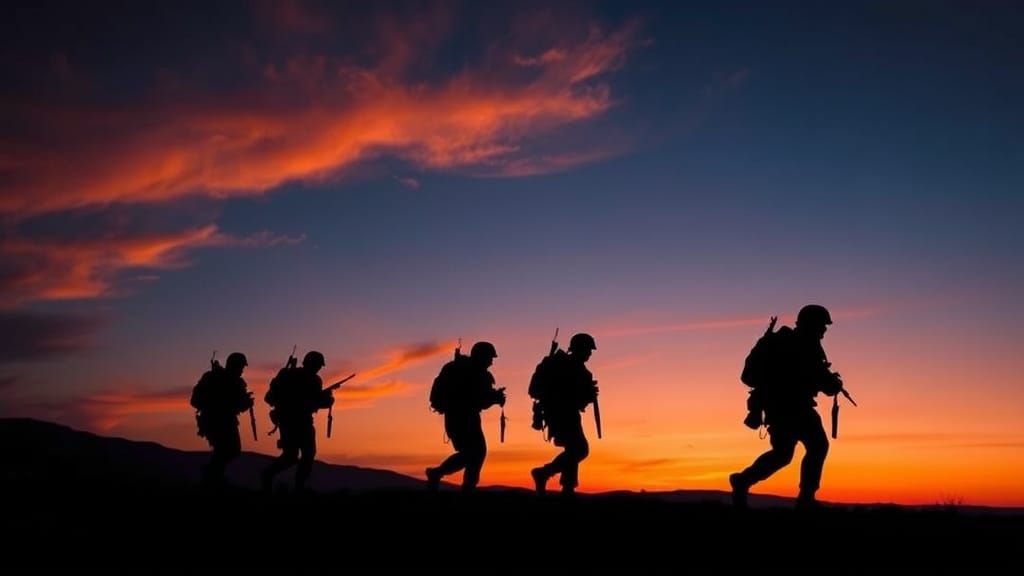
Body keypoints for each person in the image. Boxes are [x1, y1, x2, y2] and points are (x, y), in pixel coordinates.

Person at [730, 304, 844, 509]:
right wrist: (830, 384)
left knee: (783, 455)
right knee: (815, 447)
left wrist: (830, 383)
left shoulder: (802, 344)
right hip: (790, 408)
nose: (825, 330)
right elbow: (808, 376)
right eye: (822, 325)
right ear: (812, 324)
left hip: (784, 409)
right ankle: (805, 499)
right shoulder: (797, 345)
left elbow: (817, 378)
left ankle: (743, 481)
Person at [425, 341, 506, 493]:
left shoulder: (463, 369)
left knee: (473, 452)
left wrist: (493, 397)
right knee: (475, 452)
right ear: (482, 356)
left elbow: (476, 398)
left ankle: (446, 477)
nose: (491, 362)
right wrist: (495, 398)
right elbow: (476, 400)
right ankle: (444, 477)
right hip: (463, 418)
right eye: (490, 358)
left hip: (458, 418)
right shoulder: (475, 373)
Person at [531, 332, 599, 497]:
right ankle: (545, 474)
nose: (590, 354)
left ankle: (566, 487)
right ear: (579, 349)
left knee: (574, 449)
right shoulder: (561, 365)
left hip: (568, 414)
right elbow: (557, 393)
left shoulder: (581, 371)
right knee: (579, 449)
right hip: (559, 414)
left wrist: (588, 394)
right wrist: (584, 394)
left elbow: (579, 400)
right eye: (588, 350)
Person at [261, 350, 335, 492]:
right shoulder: (311, 380)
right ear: (311, 364)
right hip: (295, 422)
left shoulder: (289, 375)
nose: (318, 368)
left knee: (301, 455)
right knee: (297, 455)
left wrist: (324, 398)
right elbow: (315, 400)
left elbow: (312, 400)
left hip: (293, 422)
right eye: (318, 365)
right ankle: (275, 478)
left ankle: (294, 485)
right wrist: (328, 399)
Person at [189, 352, 254, 489]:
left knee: (229, 450)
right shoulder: (214, 378)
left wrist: (245, 403)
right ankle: (212, 476)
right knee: (228, 450)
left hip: (226, 421)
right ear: (234, 365)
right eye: (241, 366)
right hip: (215, 421)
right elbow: (195, 400)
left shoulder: (236, 382)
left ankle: (213, 476)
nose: (242, 370)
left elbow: (238, 404)